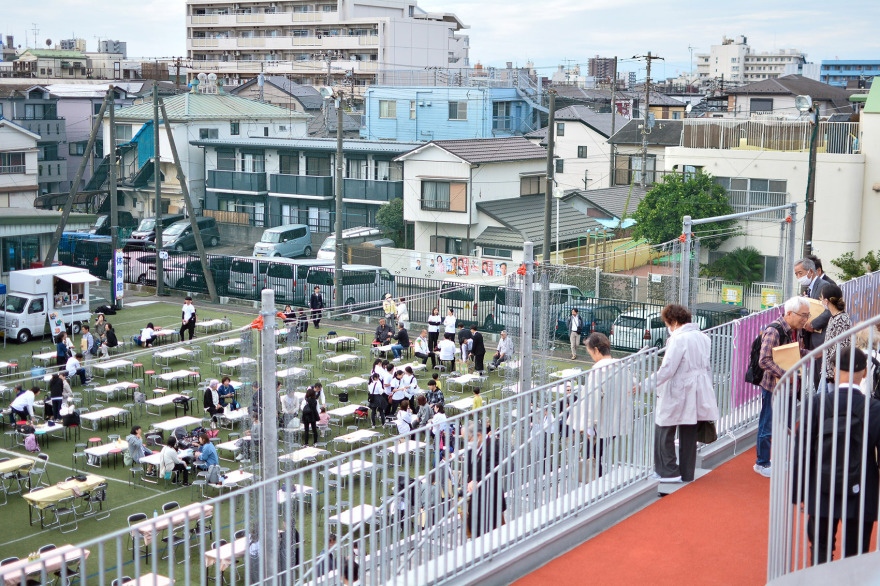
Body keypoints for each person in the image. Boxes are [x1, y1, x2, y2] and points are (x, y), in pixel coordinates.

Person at [793, 347, 880, 565]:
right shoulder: (875, 408)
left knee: (820, 549)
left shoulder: (816, 404)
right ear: (865, 373)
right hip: (862, 491)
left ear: (833, 369)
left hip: (821, 488)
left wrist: (799, 492)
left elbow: (802, 448)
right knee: (856, 555)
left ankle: (820, 579)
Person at [644, 304, 720, 483]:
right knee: (689, 432)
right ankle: (687, 473)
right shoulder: (703, 338)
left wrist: (644, 385)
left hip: (678, 387)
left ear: (674, 322)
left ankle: (667, 471)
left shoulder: (678, 339)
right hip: (698, 388)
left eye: (667, 323)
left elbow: (667, 369)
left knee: (664, 427)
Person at [754, 296, 810, 478]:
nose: (805, 319)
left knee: (787, 424)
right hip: (774, 387)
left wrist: (810, 354)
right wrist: (785, 374)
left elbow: (794, 352)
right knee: (768, 424)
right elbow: (764, 360)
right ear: (789, 313)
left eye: (807, 315)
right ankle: (762, 462)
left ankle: (781, 459)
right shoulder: (774, 330)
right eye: (803, 315)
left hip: (789, 387)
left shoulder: (795, 330)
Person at [465, 420, 507, 538]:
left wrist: (475, 481)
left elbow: (492, 468)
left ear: (478, 435)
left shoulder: (494, 445)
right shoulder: (471, 450)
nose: (467, 443)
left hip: (491, 496)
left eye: (468, 439)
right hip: (476, 497)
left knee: (493, 531)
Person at [795, 257, 834, 351]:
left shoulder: (824, 285)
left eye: (800, 273)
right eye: (796, 274)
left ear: (811, 271)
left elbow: (830, 309)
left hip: (820, 337)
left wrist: (813, 324)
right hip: (811, 337)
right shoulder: (811, 288)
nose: (798, 277)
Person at [820, 283, 852, 382]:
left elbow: (841, 346)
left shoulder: (842, 319)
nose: (821, 300)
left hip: (833, 372)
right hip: (828, 370)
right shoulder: (833, 318)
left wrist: (831, 369)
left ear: (826, 301)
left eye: (821, 298)